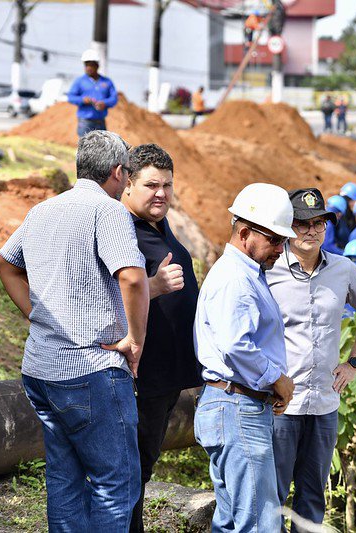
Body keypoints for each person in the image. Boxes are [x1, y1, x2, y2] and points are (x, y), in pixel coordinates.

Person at [0, 130, 148, 531]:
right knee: (117, 483)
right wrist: (135, 340)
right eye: (128, 175)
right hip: (91, 369)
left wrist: (37, 313)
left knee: (64, 480)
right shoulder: (108, 211)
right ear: (118, 172)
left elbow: (6, 265)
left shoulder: (43, 210)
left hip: (41, 369)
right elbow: (132, 278)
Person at [267, 188, 356, 530]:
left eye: (319, 224)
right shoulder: (268, 270)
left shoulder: (342, 269)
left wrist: (354, 362)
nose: (312, 231)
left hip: (325, 404)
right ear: (289, 226)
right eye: (303, 224)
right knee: (272, 494)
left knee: (313, 495)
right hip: (281, 405)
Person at [193, 183, 297, 532]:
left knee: (231, 522)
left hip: (234, 406)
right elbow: (238, 346)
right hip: (237, 407)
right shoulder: (236, 277)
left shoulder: (243, 273)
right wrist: (277, 379)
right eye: (274, 241)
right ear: (245, 233)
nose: (280, 251)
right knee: (260, 524)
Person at [121, 144, 203, 533]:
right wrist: (152, 286)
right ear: (127, 184)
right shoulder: (120, 228)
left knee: (145, 459)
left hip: (169, 373)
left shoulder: (159, 224)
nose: (161, 194)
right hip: (141, 372)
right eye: (152, 185)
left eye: (168, 185)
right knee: (132, 463)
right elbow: (101, 294)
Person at [67, 49, 118, 137]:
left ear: (97, 65)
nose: (88, 67)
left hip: (100, 122)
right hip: (85, 122)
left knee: (102, 149)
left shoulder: (107, 82)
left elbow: (114, 98)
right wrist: (83, 100)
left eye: (91, 65)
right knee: (84, 149)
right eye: (86, 65)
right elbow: (71, 97)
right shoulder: (79, 81)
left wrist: (105, 103)